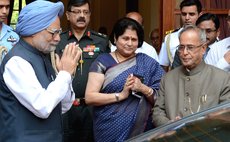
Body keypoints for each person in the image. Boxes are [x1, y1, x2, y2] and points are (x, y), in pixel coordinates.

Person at [0, 1, 82, 142]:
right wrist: (64, 75)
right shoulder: (17, 61)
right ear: (33, 30)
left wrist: (66, 75)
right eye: (53, 33)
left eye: (59, 32)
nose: (57, 38)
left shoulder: (42, 56)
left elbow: (63, 105)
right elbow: (42, 106)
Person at [85, 17, 165, 142]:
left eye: (134, 39)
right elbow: (90, 97)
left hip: (141, 131)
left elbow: (163, 97)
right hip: (108, 129)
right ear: (115, 38)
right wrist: (121, 95)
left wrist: (142, 88)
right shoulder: (102, 61)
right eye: (125, 38)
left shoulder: (148, 63)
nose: (129, 43)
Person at [152, 25, 230, 127]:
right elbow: (157, 112)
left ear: (203, 48)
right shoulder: (167, 79)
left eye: (190, 47)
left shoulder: (222, 78)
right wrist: (168, 125)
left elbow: (226, 116)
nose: (184, 52)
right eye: (181, 47)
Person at [55, 0, 110, 142]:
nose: (81, 16)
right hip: (64, 109)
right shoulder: (58, 41)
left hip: (92, 109)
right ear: (67, 15)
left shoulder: (101, 41)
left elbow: (109, 71)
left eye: (85, 12)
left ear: (90, 15)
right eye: (77, 12)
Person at [159, 0, 202, 71]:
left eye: (191, 14)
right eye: (184, 14)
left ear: (199, 15)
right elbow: (163, 66)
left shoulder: (205, 37)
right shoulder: (170, 38)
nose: (187, 18)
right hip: (176, 79)